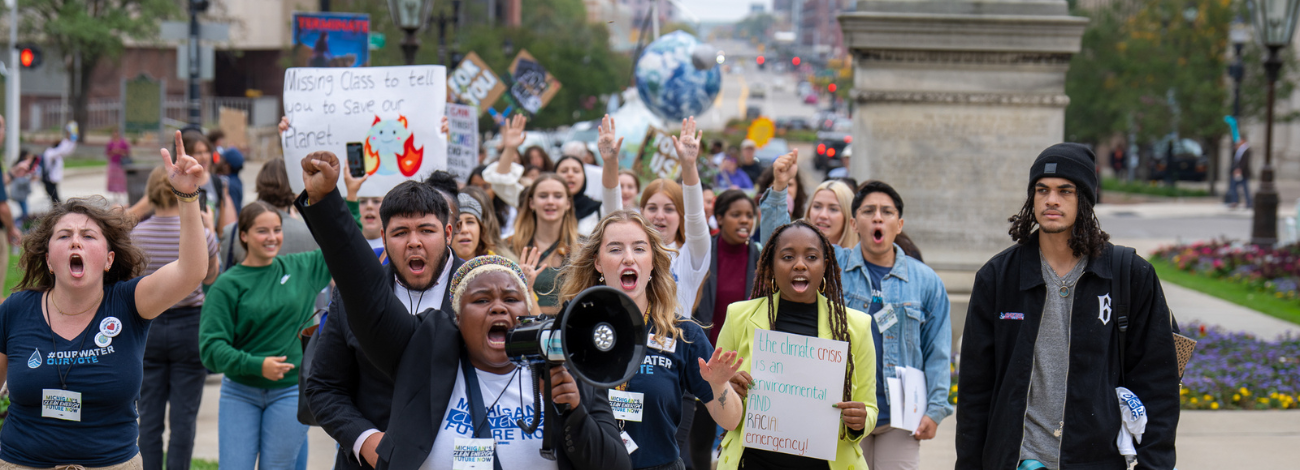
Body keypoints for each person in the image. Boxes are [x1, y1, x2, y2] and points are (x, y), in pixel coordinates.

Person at [294, 151, 632, 470]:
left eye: (511, 299)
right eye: (482, 301)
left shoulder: (557, 362)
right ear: (457, 318)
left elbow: (612, 461)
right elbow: (361, 286)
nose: (496, 306)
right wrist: (367, 441)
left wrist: (572, 411)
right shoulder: (428, 338)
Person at [957, 143, 1180, 470]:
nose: (1051, 200)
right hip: (1021, 460)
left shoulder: (1130, 275)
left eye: (1065, 191)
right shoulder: (998, 277)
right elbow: (976, 391)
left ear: (1084, 200)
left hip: (1101, 460)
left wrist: (1154, 464)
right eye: (1042, 190)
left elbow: (1158, 384)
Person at [0, 130, 209, 468]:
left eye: (88, 236)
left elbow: (192, 271)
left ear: (109, 259)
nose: (76, 243)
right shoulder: (15, 310)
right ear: (49, 259)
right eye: (64, 236)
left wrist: (187, 197)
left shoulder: (129, 303)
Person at [761, 153, 952, 470]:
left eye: (887, 212)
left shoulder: (926, 281)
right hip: (839, 410)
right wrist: (780, 188)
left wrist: (935, 409)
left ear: (899, 223)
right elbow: (779, 242)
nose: (878, 218)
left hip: (900, 418)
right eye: (868, 211)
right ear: (854, 223)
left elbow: (938, 350)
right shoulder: (831, 265)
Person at [559, 209, 744, 470]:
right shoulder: (571, 331)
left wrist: (719, 384)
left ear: (653, 261)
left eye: (639, 248)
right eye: (615, 249)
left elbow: (730, 421)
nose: (628, 258)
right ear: (598, 262)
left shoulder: (683, 334)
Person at [307, 181, 467, 470]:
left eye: (426, 230)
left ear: (448, 233)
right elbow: (323, 387)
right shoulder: (352, 296)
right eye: (400, 232)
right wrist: (365, 441)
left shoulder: (481, 292)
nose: (414, 242)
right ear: (383, 236)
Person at [717, 219, 877, 470]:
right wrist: (727, 391)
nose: (800, 265)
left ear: (824, 266)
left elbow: (869, 406)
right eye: (788, 256)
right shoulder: (739, 317)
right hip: (754, 462)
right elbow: (716, 397)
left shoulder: (856, 326)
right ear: (770, 265)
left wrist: (861, 420)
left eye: (811, 257)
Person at [199, 201, 332, 470]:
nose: (272, 237)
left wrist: (348, 198)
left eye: (277, 229)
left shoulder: (300, 268)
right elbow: (210, 349)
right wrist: (256, 365)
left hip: (290, 391)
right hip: (239, 392)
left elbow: (341, 244)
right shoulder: (227, 285)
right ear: (244, 235)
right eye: (262, 231)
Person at [134, 166, 222, 470]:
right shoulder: (200, 234)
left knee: (149, 417)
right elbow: (210, 276)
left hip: (148, 327)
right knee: (184, 418)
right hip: (189, 325)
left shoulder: (137, 235)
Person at [597, 115, 712, 318]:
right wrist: (610, 163)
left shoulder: (691, 257)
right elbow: (611, 214)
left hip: (672, 344)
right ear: (641, 212)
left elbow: (696, 216)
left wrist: (688, 165)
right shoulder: (629, 255)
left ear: (681, 215)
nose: (659, 216)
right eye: (652, 208)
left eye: (669, 209)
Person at [687, 188, 760, 470]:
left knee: (741, 435)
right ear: (719, 218)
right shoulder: (704, 252)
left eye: (749, 215)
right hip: (707, 359)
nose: (745, 221)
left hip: (744, 362)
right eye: (736, 215)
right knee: (701, 440)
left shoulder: (759, 256)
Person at [220, 159, 321, 268]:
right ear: (293, 188)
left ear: (260, 183)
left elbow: (225, 271)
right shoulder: (311, 234)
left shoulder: (233, 231)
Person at [454, 187, 515, 261]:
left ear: (481, 228)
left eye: (470, 222)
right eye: (457, 223)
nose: (464, 229)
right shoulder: (439, 268)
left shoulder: (499, 264)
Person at [806, 180, 858, 249]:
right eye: (817, 206)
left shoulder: (858, 258)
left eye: (833, 209)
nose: (823, 215)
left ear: (848, 216)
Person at [470, 164, 515, 236]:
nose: (480, 191)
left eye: (485, 186)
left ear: (495, 189)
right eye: (475, 186)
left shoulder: (508, 212)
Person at [38, 124, 77, 205]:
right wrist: (70, 138)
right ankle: (57, 216)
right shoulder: (50, 153)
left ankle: (56, 215)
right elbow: (62, 150)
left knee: (55, 201)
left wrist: (73, 139)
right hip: (48, 180)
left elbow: (66, 151)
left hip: (53, 181)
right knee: (56, 201)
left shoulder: (57, 156)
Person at [209, 130, 246, 213]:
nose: (219, 162)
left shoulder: (230, 185)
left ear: (227, 166)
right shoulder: (236, 180)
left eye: (222, 160)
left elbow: (232, 211)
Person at [8, 149, 36, 227]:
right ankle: (15, 225)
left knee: (24, 211)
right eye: (29, 155)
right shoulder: (23, 165)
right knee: (25, 212)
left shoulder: (20, 164)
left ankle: (16, 224)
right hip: (20, 193)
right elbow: (20, 180)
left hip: (20, 192)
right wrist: (30, 179)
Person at [1227, 136, 1252, 209]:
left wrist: (1239, 169)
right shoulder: (1239, 149)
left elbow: (1244, 162)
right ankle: (1235, 201)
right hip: (1237, 172)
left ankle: (1248, 202)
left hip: (1242, 172)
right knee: (1234, 187)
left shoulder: (1246, 149)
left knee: (1244, 188)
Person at [106, 128, 130, 202]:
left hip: (120, 163)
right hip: (113, 163)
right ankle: (115, 193)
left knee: (120, 179)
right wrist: (113, 152)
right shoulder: (110, 143)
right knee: (113, 179)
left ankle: (121, 193)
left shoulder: (123, 143)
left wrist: (120, 151)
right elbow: (107, 153)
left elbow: (127, 152)